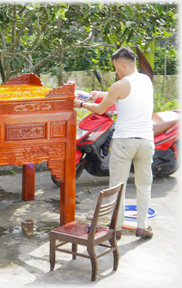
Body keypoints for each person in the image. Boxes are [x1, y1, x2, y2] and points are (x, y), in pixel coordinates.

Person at [74, 47, 154, 240]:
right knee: (144, 185)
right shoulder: (146, 80)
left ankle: (115, 229)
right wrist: (99, 93)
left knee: (117, 186)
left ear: (123, 64)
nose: (116, 71)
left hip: (125, 141)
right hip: (145, 142)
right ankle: (142, 227)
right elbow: (125, 96)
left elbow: (102, 108)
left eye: (116, 67)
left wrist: (81, 104)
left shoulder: (119, 85)